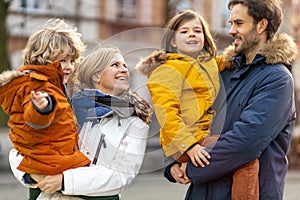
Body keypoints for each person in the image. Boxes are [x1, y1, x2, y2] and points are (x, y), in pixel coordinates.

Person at [164, 1, 298, 199]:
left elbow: (244, 142)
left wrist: (191, 168)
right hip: (202, 192)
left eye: (239, 23)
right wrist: (175, 163)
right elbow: (195, 122)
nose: (231, 30)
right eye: (231, 23)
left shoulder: (277, 79)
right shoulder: (225, 72)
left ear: (261, 26)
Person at [136, 9, 259, 199]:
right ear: (173, 41)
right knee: (246, 158)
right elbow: (167, 114)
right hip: (186, 141)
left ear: (204, 38)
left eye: (197, 30)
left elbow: (227, 61)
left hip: (201, 136)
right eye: (184, 31)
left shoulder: (208, 63)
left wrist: (254, 49)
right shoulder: (167, 70)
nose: (192, 34)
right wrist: (189, 146)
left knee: (237, 159)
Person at [28, 46, 152, 199]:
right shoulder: (67, 111)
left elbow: (121, 176)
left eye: (125, 66)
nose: (124, 70)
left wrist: (65, 180)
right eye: (115, 65)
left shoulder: (135, 123)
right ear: (96, 76)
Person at [0, 17, 91, 194]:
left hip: (48, 159)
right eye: (63, 60)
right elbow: (34, 118)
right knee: (102, 190)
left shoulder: (53, 84)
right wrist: (42, 108)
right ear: (43, 59)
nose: (69, 67)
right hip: (51, 161)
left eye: (72, 61)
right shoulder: (37, 85)